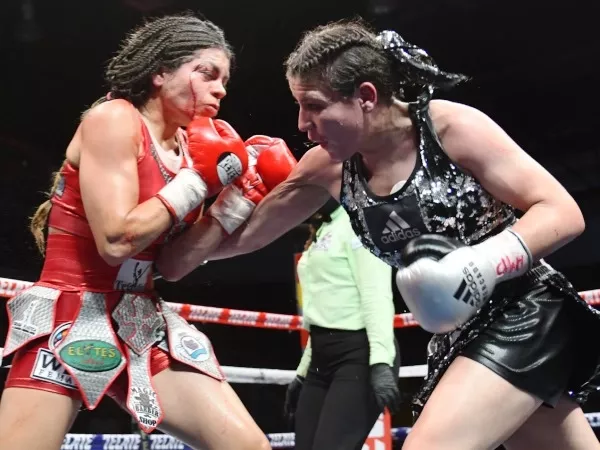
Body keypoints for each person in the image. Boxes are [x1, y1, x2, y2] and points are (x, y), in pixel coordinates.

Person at [168, 18, 600, 450]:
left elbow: (561, 211)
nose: (302, 124)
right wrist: (201, 218)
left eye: (314, 105)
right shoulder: (327, 167)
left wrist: (483, 263)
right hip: (458, 332)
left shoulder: (449, 130)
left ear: (366, 97)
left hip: (523, 311)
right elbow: (243, 238)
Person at [0, 13, 296, 450]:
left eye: (225, 80)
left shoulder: (191, 148)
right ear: (160, 72)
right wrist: (196, 182)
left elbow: (173, 266)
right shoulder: (113, 119)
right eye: (207, 73)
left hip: (140, 317)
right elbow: (116, 241)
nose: (220, 89)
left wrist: (235, 204)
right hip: (71, 310)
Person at [283, 200, 400, 450]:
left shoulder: (361, 224)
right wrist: (302, 373)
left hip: (358, 355)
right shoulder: (325, 228)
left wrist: (381, 362)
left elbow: (376, 295)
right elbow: (325, 313)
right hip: (320, 359)